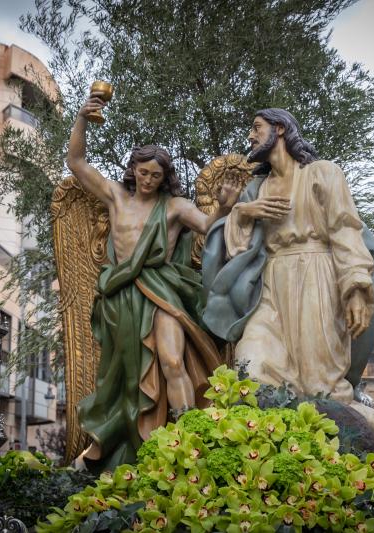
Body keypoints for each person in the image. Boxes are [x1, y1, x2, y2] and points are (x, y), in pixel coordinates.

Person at [201, 108, 374, 461]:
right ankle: (272, 464)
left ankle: (340, 467)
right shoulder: (255, 188)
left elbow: (344, 229)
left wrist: (355, 288)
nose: (250, 136)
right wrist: (245, 213)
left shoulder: (322, 174)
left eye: (256, 127)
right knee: (252, 369)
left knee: (320, 388)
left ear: (279, 129)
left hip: (318, 280)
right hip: (270, 285)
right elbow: (234, 248)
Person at [67, 93, 242, 471]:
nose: (148, 180)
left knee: (171, 359)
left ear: (165, 178)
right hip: (121, 297)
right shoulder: (115, 196)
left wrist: (226, 207)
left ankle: (188, 435)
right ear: (133, 170)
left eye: (156, 175)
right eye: (143, 173)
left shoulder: (175, 207)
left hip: (161, 289)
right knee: (126, 379)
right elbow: (76, 162)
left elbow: (210, 229)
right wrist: (82, 118)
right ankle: (130, 444)